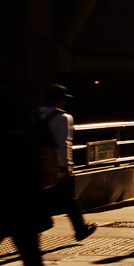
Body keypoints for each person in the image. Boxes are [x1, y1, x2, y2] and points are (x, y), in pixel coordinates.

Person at [0, 88, 59, 266]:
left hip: (7, 204)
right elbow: (50, 168)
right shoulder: (35, 126)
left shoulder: (2, 132)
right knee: (33, 260)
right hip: (30, 203)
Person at [39, 84, 96, 241]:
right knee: (69, 199)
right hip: (55, 164)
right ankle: (80, 229)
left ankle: (41, 225)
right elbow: (64, 143)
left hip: (36, 163)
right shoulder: (63, 118)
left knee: (39, 196)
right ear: (60, 100)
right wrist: (67, 167)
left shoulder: (35, 114)